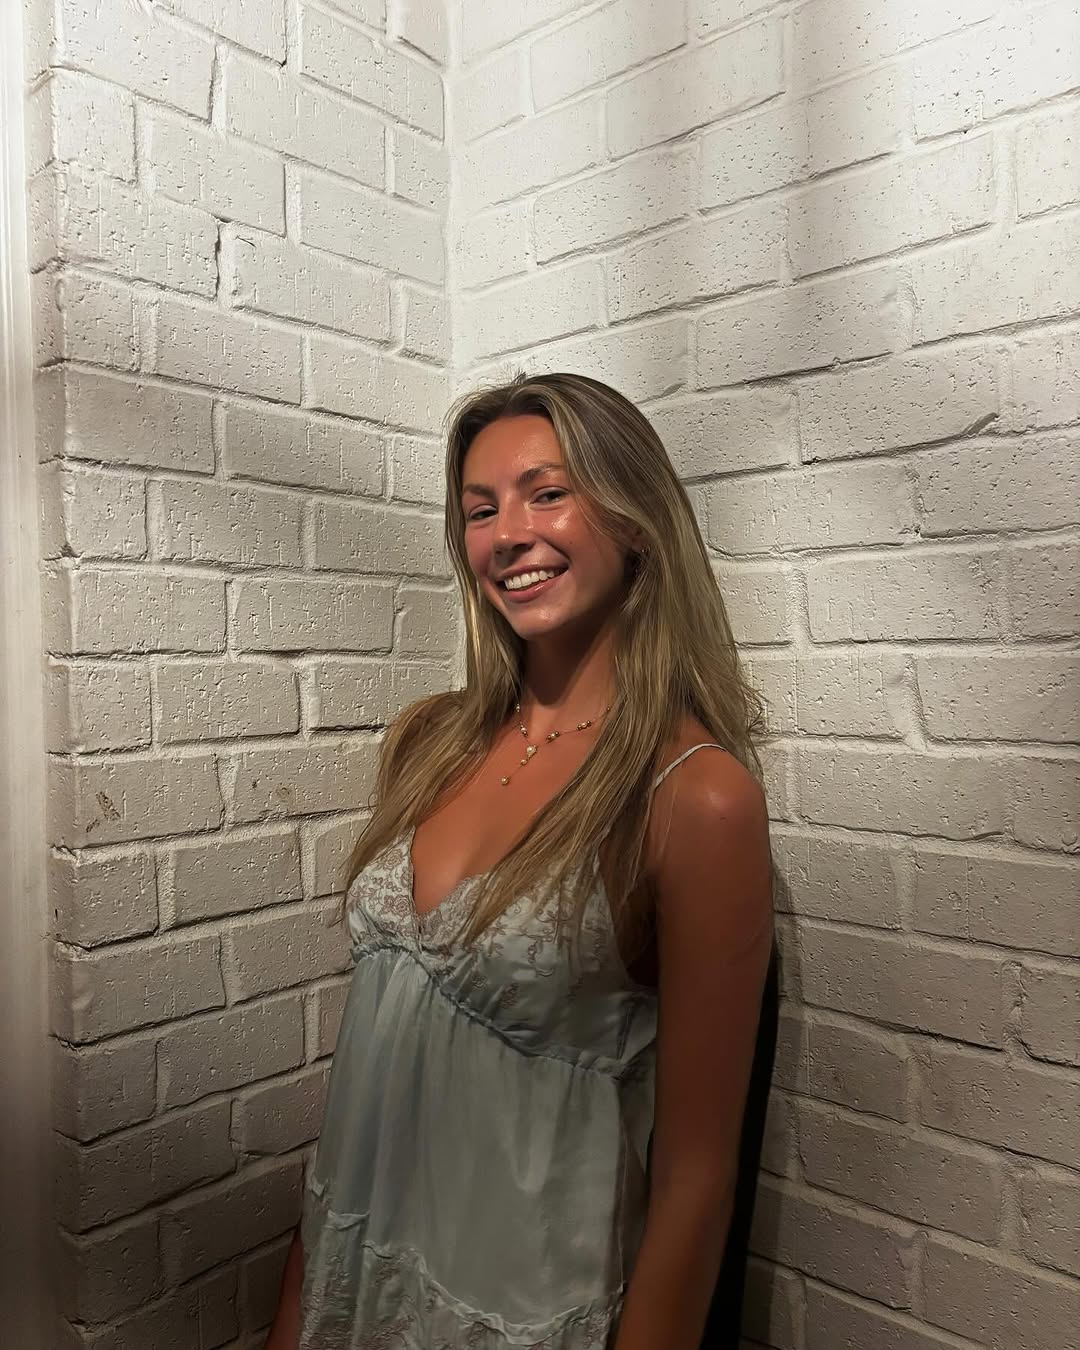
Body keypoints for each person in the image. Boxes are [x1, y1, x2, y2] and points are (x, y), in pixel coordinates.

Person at [265, 371, 775, 1349]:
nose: (508, 535)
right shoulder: (432, 742)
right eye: (481, 510)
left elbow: (697, 1178)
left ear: (635, 521)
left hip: (514, 1311)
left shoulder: (692, 799)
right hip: (352, 1279)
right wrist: (296, 1309)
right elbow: (369, 1068)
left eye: (548, 493)